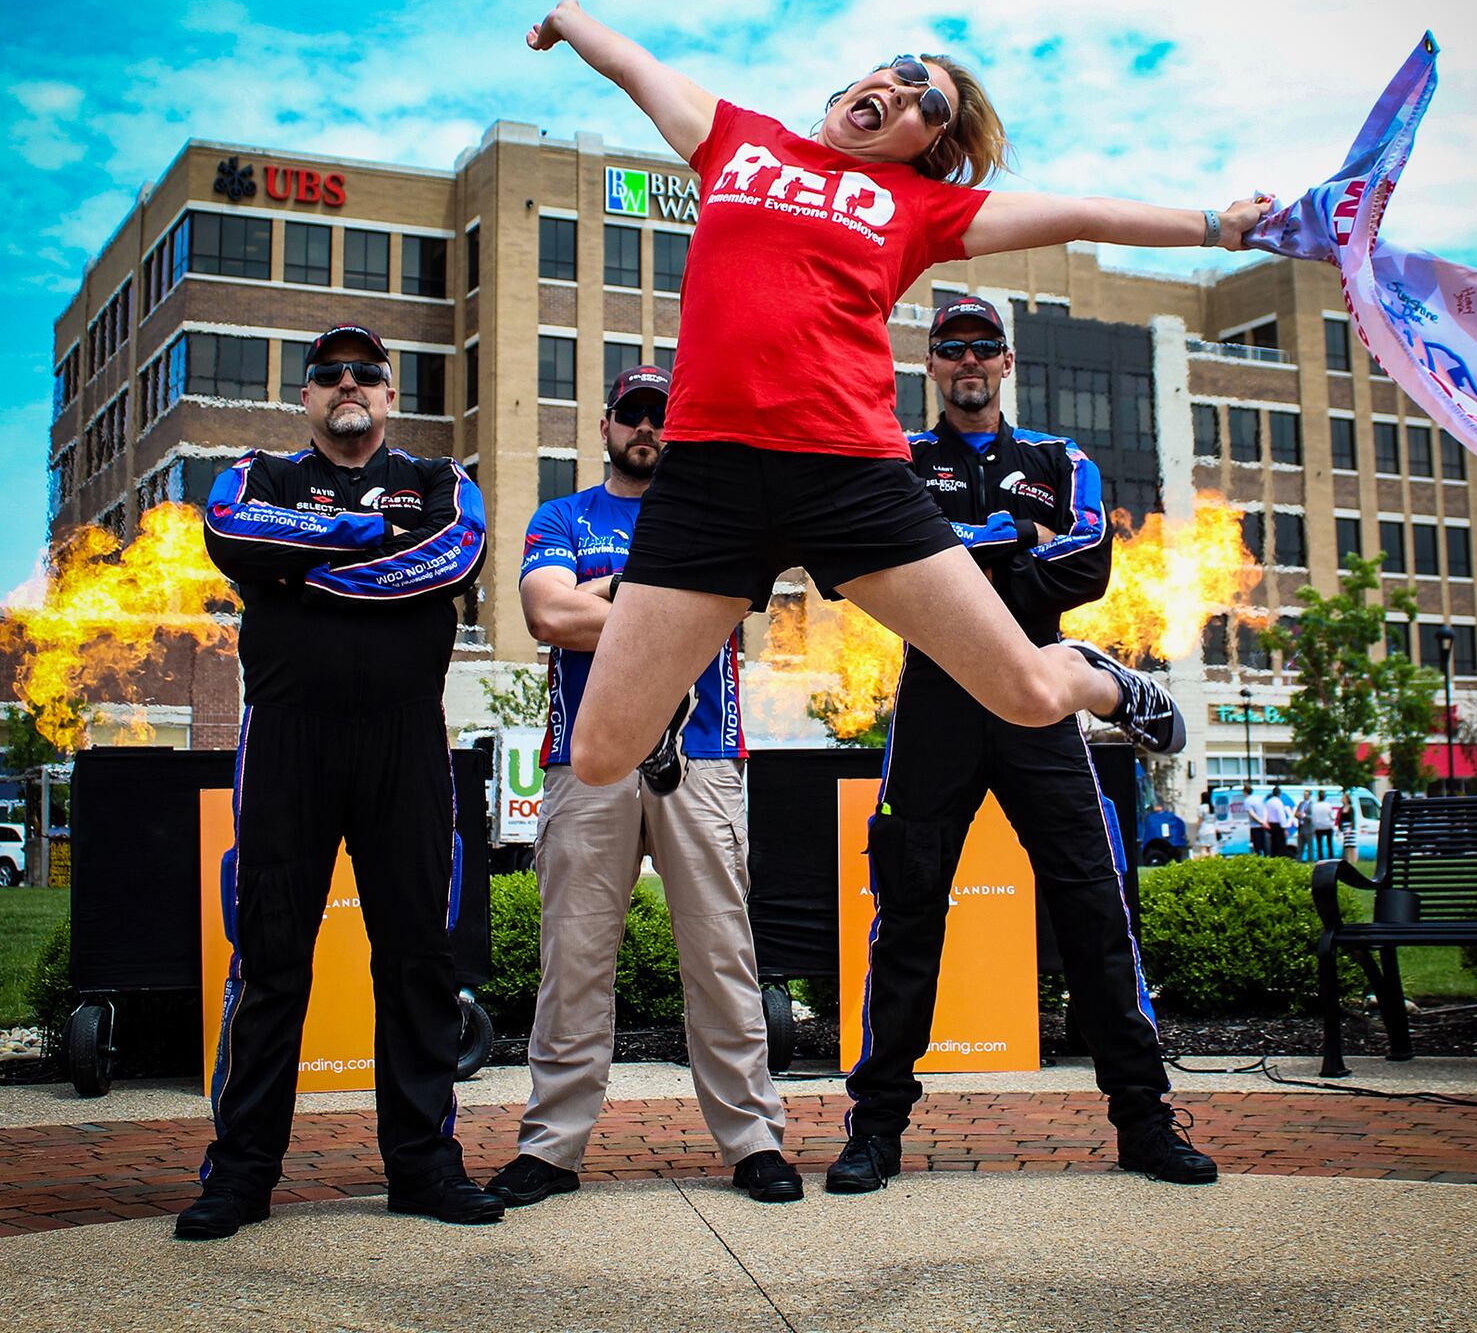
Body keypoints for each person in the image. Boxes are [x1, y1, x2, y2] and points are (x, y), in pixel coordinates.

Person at [520, 0, 1270, 798]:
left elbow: (1081, 214)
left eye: (928, 107)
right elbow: (636, 66)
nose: (907, 96)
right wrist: (569, 20)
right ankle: (667, 698)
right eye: (905, 76)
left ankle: (1100, 680)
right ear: (861, 82)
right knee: (600, 757)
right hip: (709, 478)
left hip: (849, 474)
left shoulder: (918, 205)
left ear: (928, 148)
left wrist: (1215, 227)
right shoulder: (740, 137)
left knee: (1028, 696)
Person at [824, 298, 1216, 1193]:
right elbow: (856, 565)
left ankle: (1145, 1122)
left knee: (1092, 909)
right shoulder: (897, 459)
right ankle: (875, 1129)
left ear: (1006, 363)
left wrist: (946, 553)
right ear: (931, 364)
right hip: (936, 703)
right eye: (951, 348)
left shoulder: (1057, 459)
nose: (968, 361)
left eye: (983, 348)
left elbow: (1087, 563)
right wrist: (1011, 542)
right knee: (909, 912)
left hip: (1039, 699)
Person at [181, 325, 500, 1239]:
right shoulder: (257, 476)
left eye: (366, 373)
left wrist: (303, 564)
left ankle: (424, 1169)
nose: (348, 384)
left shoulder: (443, 483)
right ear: (307, 396)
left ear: (392, 395)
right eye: (330, 375)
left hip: (407, 743)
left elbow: (453, 557)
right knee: (273, 963)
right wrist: (365, 538)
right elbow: (232, 530)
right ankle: (239, 1177)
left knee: (418, 963)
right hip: (288, 740)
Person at [488, 367, 801, 1208]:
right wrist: (661, 600)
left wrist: (607, 594)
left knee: (722, 958)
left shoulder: (721, 516)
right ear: (606, 426)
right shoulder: (564, 517)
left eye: (664, 418)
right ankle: (550, 1150)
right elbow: (548, 617)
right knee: (575, 962)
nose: (649, 429)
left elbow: (720, 610)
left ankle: (754, 1141)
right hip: (586, 762)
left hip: (701, 757)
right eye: (635, 416)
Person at [1311, 789, 1337, 860]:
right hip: (1328, 826)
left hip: (1318, 827)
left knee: (1319, 845)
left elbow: (1313, 817)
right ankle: (1331, 858)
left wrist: (1314, 826)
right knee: (1329, 844)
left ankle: (1320, 859)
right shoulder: (1328, 805)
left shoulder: (1314, 806)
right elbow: (1332, 816)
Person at [1263, 785, 1289, 858]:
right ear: (1279, 794)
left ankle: (1273, 858)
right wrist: (1284, 828)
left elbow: (1265, 814)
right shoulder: (1278, 802)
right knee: (1281, 845)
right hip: (1278, 826)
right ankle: (1281, 859)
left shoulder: (1268, 802)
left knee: (1273, 845)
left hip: (1271, 825)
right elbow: (1281, 816)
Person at [1244, 786, 1268, 856]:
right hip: (1262, 826)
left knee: (1257, 847)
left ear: (1245, 792)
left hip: (1255, 826)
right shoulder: (1258, 799)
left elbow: (1251, 814)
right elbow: (1265, 810)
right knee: (1264, 846)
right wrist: (1264, 821)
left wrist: (1260, 821)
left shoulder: (1247, 801)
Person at [1339, 788, 1360, 865]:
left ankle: (1354, 859)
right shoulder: (1342, 809)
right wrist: (1340, 828)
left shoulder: (1351, 808)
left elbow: (1352, 819)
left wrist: (1351, 828)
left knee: (1352, 845)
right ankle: (1347, 859)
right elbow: (1340, 819)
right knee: (1346, 845)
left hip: (1350, 827)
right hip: (1344, 827)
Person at [1294, 791, 1315, 861]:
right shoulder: (1301, 803)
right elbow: (1296, 813)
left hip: (1308, 828)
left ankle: (1310, 860)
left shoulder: (1312, 805)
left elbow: (1313, 817)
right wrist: (1297, 815)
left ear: (1309, 796)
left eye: (1306, 795)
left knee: (1310, 847)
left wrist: (1305, 816)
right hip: (1301, 827)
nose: (1305, 796)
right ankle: (1298, 860)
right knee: (1300, 846)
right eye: (1304, 795)